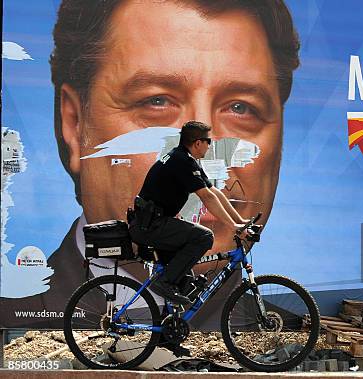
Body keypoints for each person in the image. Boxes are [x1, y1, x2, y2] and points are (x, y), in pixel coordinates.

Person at [0, 0, 300, 329]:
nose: (217, 153)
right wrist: (242, 221)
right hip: (147, 226)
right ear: (74, 123)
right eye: (156, 101)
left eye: (241, 108)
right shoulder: (12, 315)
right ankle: (168, 282)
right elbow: (210, 196)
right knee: (199, 238)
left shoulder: (290, 330)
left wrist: (238, 221)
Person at [130, 121, 248, 305]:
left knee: (184, 282)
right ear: (198, 142)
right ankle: (164, 282)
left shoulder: (184, 158)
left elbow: (213, 191)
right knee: (204, 237)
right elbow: (207, 198)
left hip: (152, 222)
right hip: (151, 226)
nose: (210, 145)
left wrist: (241, 221)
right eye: (208, 141)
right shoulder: (182, 161)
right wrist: (234, 226)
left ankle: (168, 327)